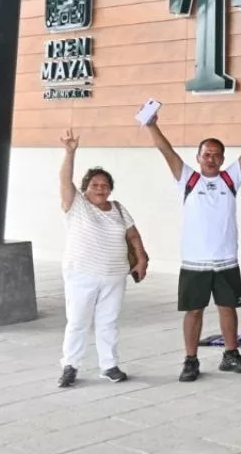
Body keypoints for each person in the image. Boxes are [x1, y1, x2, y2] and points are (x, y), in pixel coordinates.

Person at [143, 102, 241, 381]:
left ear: (222, 157)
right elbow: (166, 150)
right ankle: (190, 360)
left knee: (228, 308)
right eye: (207, 154)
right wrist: (152, 124)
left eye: (216, 155)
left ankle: (230, 355)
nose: (211, 159)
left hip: (226, 259)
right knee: (194, 311)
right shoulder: (188, 179)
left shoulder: (230, 179)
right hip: (195, 262)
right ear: (199, 156)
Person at [56, 129, 147, 388]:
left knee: (108, 322)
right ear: (85, 189)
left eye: (104, 185)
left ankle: (109, 365)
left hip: (115, 276)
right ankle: (70, 366)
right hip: (81, 274)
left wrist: (141, 259)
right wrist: (70, 153)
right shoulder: (77, 206)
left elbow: (133, 235)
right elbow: (64, 181)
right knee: (78, 322)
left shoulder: (118, 208)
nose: (100, 189)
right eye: (95, 185)